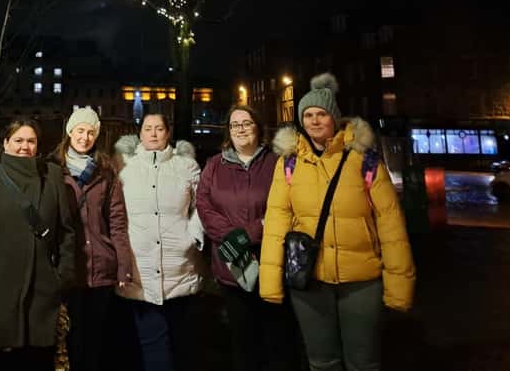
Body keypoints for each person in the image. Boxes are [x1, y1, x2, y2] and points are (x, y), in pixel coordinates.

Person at [260, 73, 416, 371]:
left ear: (334, 117)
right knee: (321, 361)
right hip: (310, 279)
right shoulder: (289, 162)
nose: (314, 121)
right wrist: (270, 281)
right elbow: (277, 220)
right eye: (308, 115)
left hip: (361, 281)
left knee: (364, 362)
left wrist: (398, 285)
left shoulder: (364, 159)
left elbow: (390, 224)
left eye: (321, 114)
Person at [0, 118, 76, 371]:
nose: (25, 146)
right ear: (5, 143)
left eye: (31, 141)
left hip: (41, 294)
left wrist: (62, 278)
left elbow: (66, 232)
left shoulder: (52, 176)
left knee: (34, 361)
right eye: (18, 140)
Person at [196, 105, 298, 371]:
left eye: (246, 123)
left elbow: (287, 206)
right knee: (242, 341)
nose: (240, 129)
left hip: (272, 263)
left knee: (277, 339)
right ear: (228, 131)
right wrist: (233, 238)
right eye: (234, 125)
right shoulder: (214, 166)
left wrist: (249, 234)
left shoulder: (276, 163)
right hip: (233, 267)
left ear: (258, 127)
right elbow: (204, 207)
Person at [115, 113, 204, 371]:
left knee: (179, 342)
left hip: (180, 267)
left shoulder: (187, 167)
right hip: (139, 268)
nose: (153, 134)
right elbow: (115, 212)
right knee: (151, 342)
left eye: (159, 128)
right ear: (139, 134)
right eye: (148, 128)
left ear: (168, 133)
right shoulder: (125, 169)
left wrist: (193, 234)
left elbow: (202, 207)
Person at [50, 107, 132, 371]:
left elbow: (117, 222)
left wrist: (122, 264)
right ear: (70, 132)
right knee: (66, 339)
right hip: (67, 267)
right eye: (80, 130)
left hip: (100, 267)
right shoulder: (52, 169)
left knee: (95, 341)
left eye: (90, 132)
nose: (84, 137)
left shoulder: (106, 172)